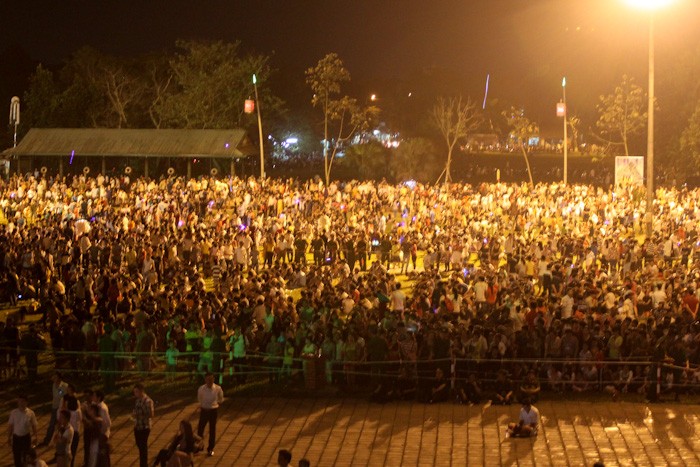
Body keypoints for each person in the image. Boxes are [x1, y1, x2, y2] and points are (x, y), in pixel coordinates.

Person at [197, 372, 223, 457]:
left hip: (213, 411)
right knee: (200, 429)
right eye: (208, 379)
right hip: (204, 410)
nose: (209, 381)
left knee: (212, 430)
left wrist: (215, 404)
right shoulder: (201, 389)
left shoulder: (218, 388)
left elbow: (220, 398)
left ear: (213, 379)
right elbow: (199, 398)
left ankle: (211, 448)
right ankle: (199, 446)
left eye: (211, 379)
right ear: (205, 380)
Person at [8, 395, 38, 467]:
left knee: (26, 457)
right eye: (19, 401)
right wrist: (9, 437)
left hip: (26, 437)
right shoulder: (13, 413)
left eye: (22, 401)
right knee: (16, 456)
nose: (20, 403)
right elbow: (10, 426)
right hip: (16, 438)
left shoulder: (30, 413)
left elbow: (34, 425)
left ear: (26, 402)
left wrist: (35, 436)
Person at [40, 372, 68, 447]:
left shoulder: (64, 386)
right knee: (52, 425)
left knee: (61, 425)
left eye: (55, 377)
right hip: (55, 407)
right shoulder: (53, 385)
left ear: (59, 378)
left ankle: (62, 441)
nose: (53, 378)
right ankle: (47, 441)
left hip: (61, 408)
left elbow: (63, 396)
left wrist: (64, 408)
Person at [132, 383, 154, 467]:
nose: (135, 394)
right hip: (137, 426)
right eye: (134, 392)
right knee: (139, 445)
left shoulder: (148, 401)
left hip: (145, 426)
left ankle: (144, 465)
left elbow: (151, 414)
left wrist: (139, 415)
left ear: (141, 391)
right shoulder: (137, 400)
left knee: (143, 447)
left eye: (136, 392)